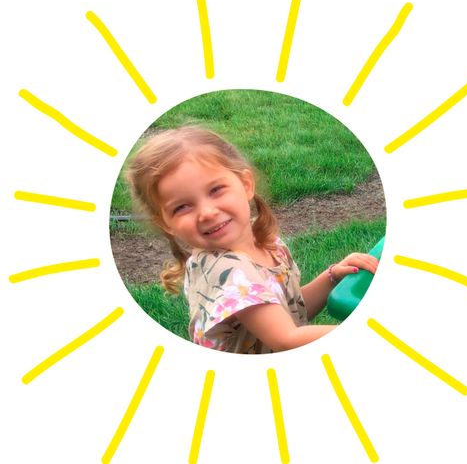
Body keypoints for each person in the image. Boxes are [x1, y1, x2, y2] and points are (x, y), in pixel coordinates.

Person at [127, 126, 378, 353]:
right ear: (165, 223)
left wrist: (332, 277)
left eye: (215, 190)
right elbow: (286, 338)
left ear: (246, 184)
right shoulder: (228, 272)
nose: (207, 212)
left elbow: (289, 313)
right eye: (182, 207)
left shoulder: (267, 245)